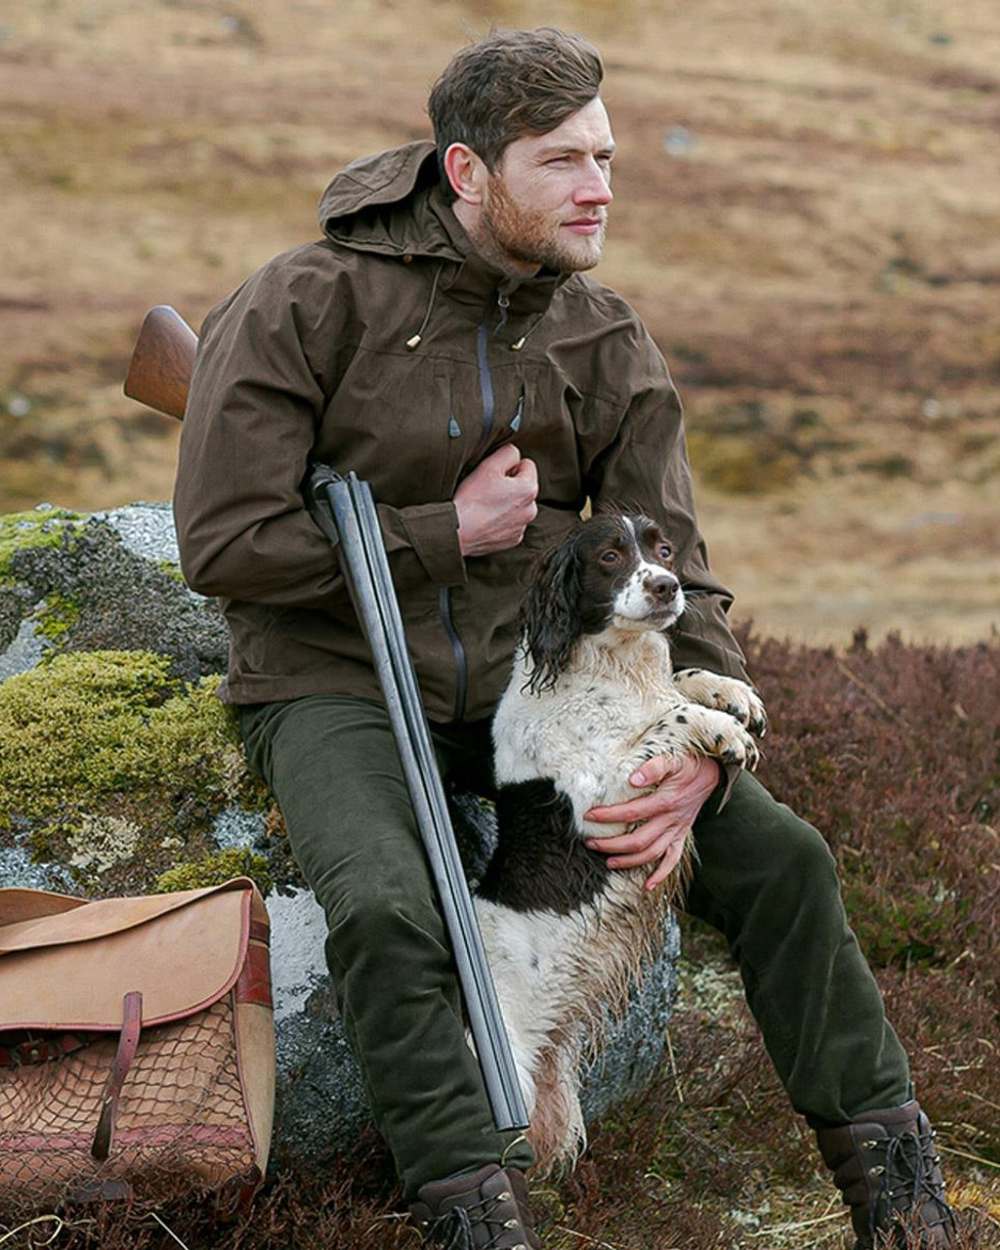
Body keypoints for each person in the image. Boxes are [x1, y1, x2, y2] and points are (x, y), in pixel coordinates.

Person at [173, 28, 956, 1250]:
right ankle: (475, 1216)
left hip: (532, 695)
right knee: (385, 909)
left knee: (783, 859)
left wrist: (712, 734)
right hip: (334, 681)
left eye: (605, 154)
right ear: (468, 170)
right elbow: (223, 545)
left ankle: (901, 1200)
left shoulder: (600, 335)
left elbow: (681, 572)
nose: (600, 186)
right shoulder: (302, 303)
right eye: (561, 161)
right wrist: (444, 530)